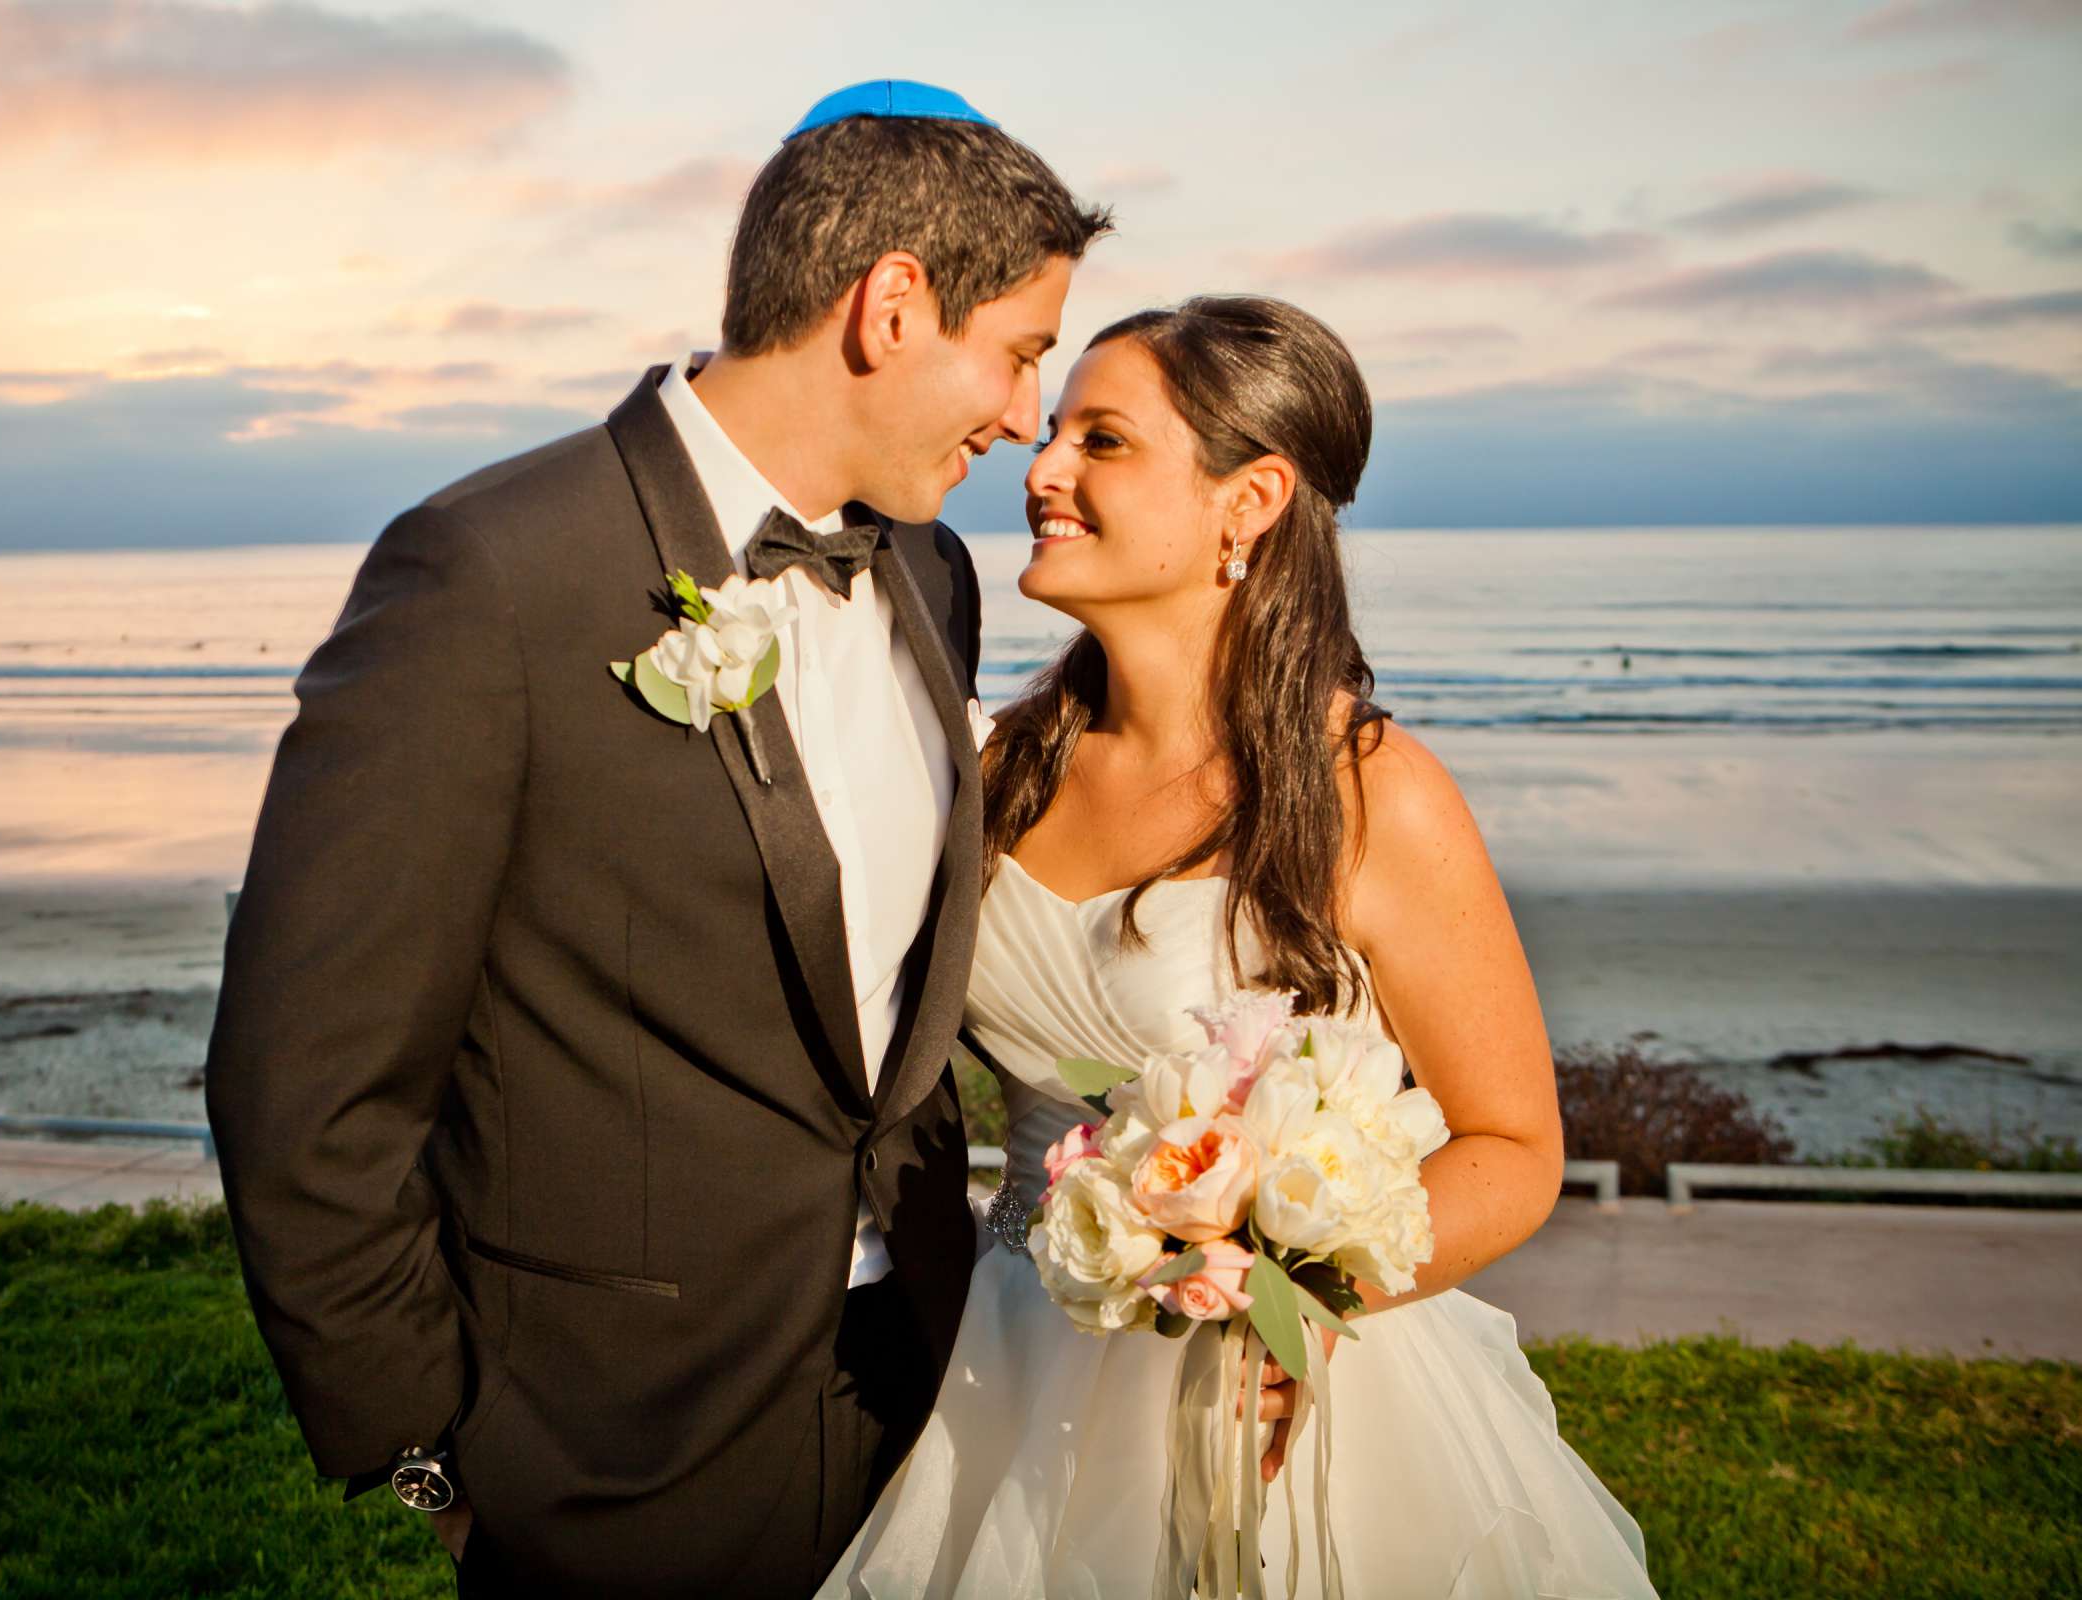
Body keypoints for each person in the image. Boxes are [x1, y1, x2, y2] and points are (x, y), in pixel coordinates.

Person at [202, 82, 1112, 1596]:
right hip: (610, 1456)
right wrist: (432, 1455)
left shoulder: (936, 578)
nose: (1025, 419)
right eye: (1018, 354)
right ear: (892, 307)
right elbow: (306, 1083)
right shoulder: (490, 576)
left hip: (918, 1396)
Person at [823, 297, 1657, 1596]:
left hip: (1300, 1391)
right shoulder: (995, 775)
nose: (1040, 467)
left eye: (1103, 442)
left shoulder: (1369, 794)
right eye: (1055, 433)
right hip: (1009, 1359)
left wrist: (1280, 1294)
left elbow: (1516, 1148)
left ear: (1250, 497)